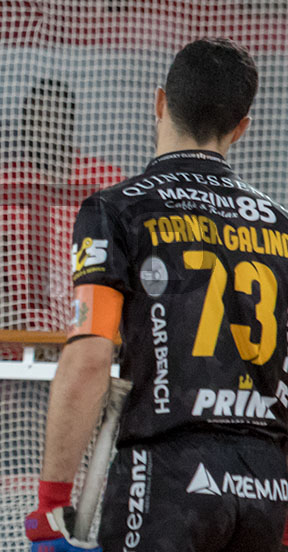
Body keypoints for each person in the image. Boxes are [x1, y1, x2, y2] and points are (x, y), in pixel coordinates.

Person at [26, 38, 288, 552]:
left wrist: (51, 500)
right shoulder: (282, 226)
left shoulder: (118, 209)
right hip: (267, 484)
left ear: (160, 102)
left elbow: (91, 357)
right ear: (241, 128)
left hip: (166, 478)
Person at [0, 79, 125, 335]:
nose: (47, 128)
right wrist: (24, 338)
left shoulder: (105, 181)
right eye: (38, 119)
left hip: (92, 339)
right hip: (22, 348)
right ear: (24, 125)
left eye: (55, 118)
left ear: (71, 122)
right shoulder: (0, 184)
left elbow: (123, 266)